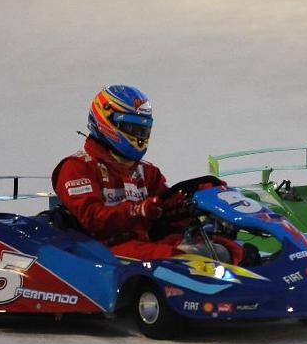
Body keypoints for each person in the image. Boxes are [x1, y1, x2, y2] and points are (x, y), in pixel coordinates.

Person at [52, 85, 240, 262]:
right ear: (105, 122)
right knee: (181, 259)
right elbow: (92, 219)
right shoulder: (77, 167)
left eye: (143, 129)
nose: (139, 136)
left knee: (229, 249)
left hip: (143, 244)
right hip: (101, 252)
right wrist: (138, 210)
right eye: (133, 128)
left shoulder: (146, 171)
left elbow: (165, 208)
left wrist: (198, 200)